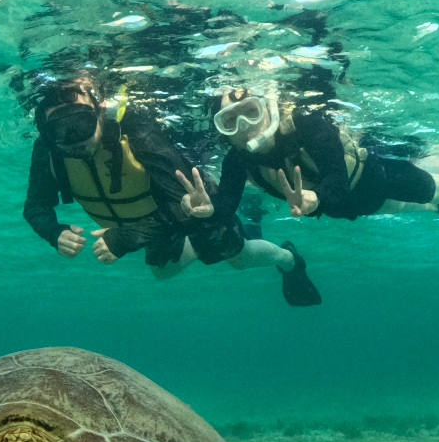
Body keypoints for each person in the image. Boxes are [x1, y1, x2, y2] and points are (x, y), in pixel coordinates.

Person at [22, 78, 322, 305]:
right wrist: (53, 231)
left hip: (192, 206)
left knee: (237, 257)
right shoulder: (49, 151)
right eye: (58, 131)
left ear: (100, 112)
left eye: (80, 124)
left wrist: (127, 236)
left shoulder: (137, 131)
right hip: (151, 224)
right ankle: (223, 235)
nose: (72, 139)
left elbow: (185, 206)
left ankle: (288, 259)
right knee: (161, 272)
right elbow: (35, 206)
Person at [205, 86, 439, 247]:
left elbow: (336, 178)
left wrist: (314, 199)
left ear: (267, 106)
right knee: (422, 208)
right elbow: (226, 206)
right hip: (352, 208)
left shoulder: (308, 126)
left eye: (250, 112)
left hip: (381, 181)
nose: (244, 126)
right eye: (229, 122)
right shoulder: (238, 159)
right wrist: (206, 209)